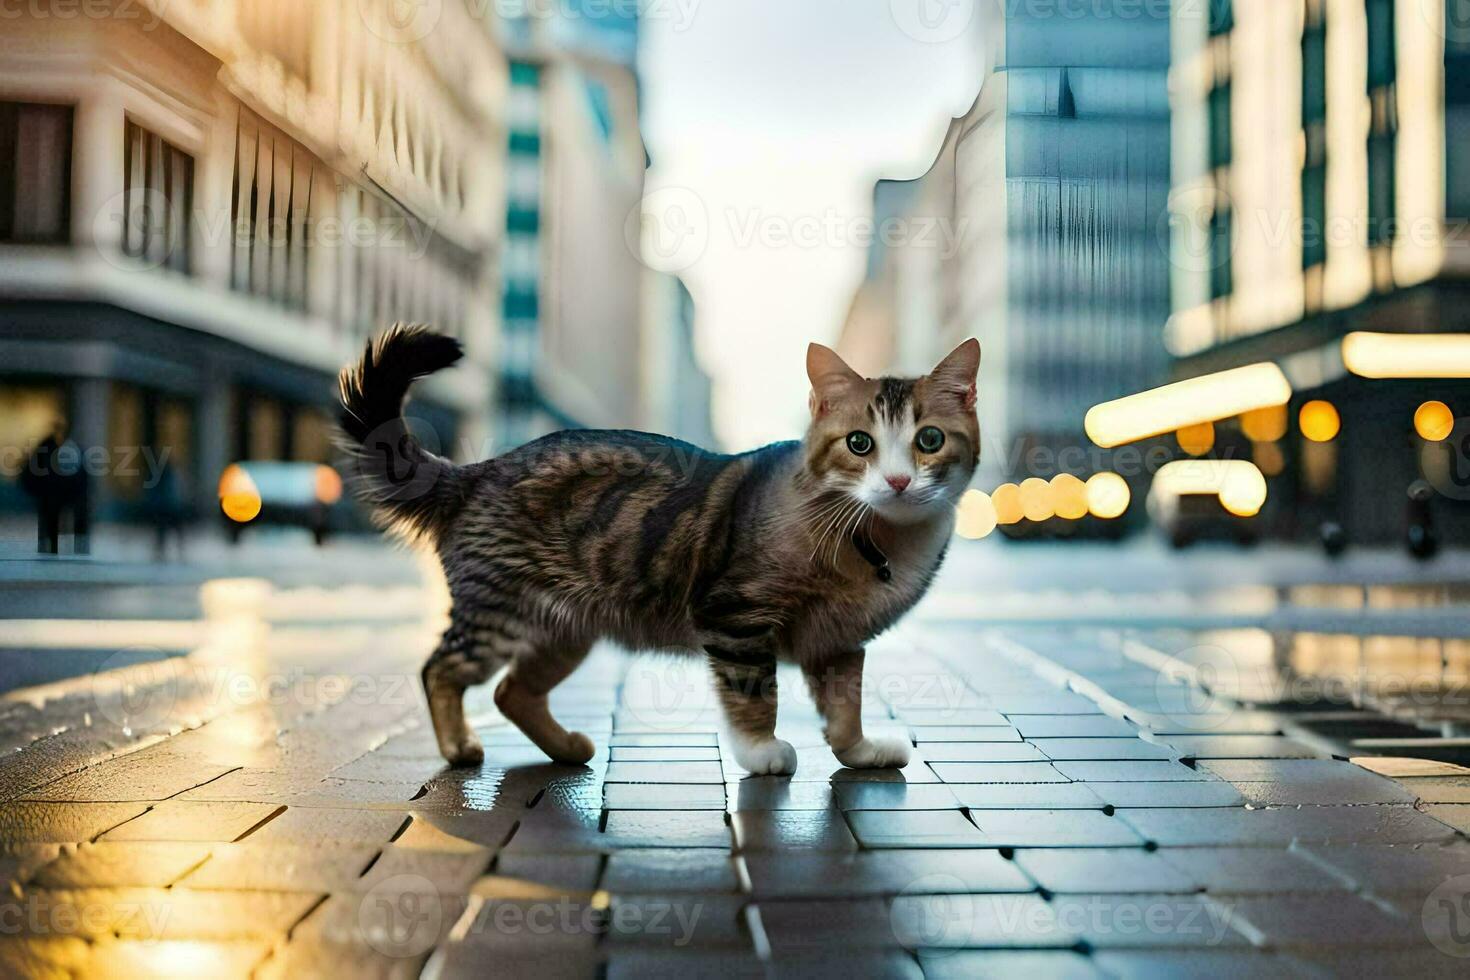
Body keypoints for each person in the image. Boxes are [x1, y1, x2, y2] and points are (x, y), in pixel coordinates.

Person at [20, 421, 90, 555]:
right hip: (53, 493)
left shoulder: (62, 448)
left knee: (51, 521)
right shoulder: (51, 447)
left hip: (57, 493)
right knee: (51, 521)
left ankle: (53, 547)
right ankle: (52, 547)